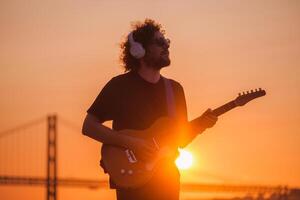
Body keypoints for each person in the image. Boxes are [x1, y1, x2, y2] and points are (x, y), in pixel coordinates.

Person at [82, 19, 218, 200]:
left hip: (167, 179)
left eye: (167, 42)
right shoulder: (119, 86)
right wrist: (133, 143)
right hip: (131, 177)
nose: (166, 46)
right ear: (139, 50)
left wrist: (201, 126)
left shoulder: (174, 90)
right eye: (159, 42)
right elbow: (89, 126)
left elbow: (179, 139)